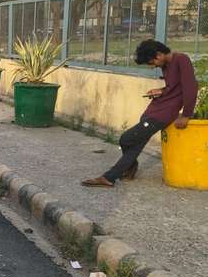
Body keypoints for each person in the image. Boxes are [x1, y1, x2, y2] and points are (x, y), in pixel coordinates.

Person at [82, 40, 197, 188]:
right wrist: (160, 91)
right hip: (155, 110)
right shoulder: (166, 65)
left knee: (126, 139)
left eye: (151, 62)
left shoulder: (181, 59)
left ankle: (122, 170)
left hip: (162, 115)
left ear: (159, 54)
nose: (152, 66)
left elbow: (190, 88)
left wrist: (186, 114)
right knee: (135, 145)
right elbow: (174, 88)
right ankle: (113, 176)